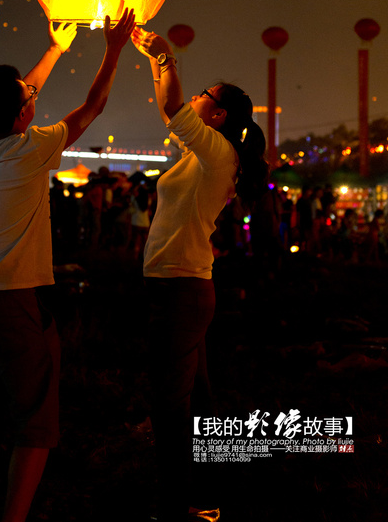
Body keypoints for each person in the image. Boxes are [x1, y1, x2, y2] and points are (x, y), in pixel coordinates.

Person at [0, 9, 135, 522]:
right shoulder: (30, 151)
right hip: (13, 303)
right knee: (34, 422)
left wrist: (55, 49)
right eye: (29, 99)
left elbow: (10, 99)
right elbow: (92, 106)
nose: (35, 98)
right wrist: (113, 50)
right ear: (22, 118)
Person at [132, 26, 268, 522]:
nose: (194, 98)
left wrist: (166, 54)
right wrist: (155, 59)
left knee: (171, 407)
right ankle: (209, 497)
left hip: (181, 291)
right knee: (201, 403)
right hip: (183, 286)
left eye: (204, 96)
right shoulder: (205, 152)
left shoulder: (217, 153)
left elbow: (172, 108)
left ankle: (179, 506)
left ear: (220, 114)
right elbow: (170, 107)